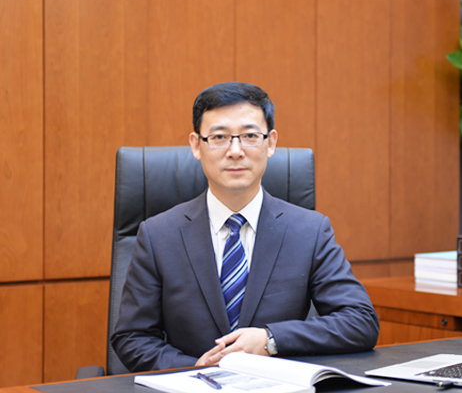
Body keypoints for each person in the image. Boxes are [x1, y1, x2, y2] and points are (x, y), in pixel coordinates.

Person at [111, 81, 379, 372]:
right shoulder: (158, 235)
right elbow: (132, 337)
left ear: (271, 143)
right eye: (219, 137)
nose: (235, 151)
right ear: (196, 145)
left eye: (250, 136)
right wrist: (196, 371)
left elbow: (360, 321)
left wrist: (270, 339)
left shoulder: (310, 231)